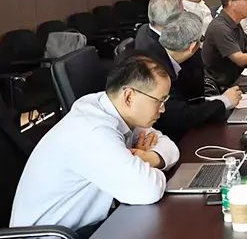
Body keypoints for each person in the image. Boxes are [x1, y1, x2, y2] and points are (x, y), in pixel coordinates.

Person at [10, 54, 179, 236]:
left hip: (86, 227)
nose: (163, 109)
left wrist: (149, 158)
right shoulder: (93, 129)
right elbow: (147, 190)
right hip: (50, 235)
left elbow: (169, 147)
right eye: (159, 100)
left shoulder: (116, 109)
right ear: (129, 96)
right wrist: (142, 169)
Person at [151, 12, 242, 141]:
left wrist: (217, 100)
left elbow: (190, 101)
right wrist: (224, 102)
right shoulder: (157, 71)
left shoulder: (164, 54)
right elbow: (181, 115)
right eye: (201, 39)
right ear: (193, 46)